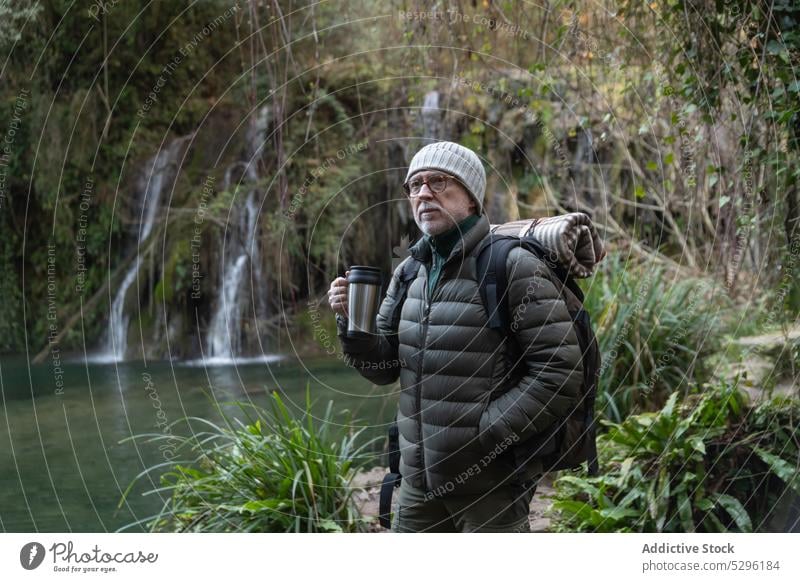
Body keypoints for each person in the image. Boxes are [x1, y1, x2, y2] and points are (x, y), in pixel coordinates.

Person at [327, 141, 583, 532]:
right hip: (417, 485)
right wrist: (351, 323)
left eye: (439, 181)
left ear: (472, 198)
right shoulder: (409, 271)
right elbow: (383, 368)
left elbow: (561, 370)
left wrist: (488, 433)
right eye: (415, 185)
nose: (424, 193)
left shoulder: (511, 265)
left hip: (490, 488)